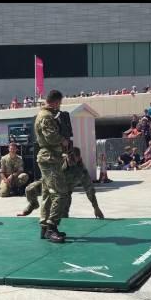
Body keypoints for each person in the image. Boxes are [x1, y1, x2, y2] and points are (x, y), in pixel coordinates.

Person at [18, 147, 104, 220]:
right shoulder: (59, 159)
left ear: (79, 158)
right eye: (70, 158)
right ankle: (33, 204)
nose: (71, 161)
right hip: (49, 184)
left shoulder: (81, 170)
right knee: (30, 189)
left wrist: (96, 208)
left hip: (64, 194)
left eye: (74, 159)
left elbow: (89, 189)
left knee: (62, 219)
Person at [34, 89, 69, 243]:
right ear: (55, 101)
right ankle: (51, 227)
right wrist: (63, 140)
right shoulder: (47, 116)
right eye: (59, 102)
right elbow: (51, 137)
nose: (60, 105)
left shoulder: (44, 114)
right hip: (50, 158)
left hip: (48, 157)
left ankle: (44, 226)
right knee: (60, 193)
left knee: (48, 193)